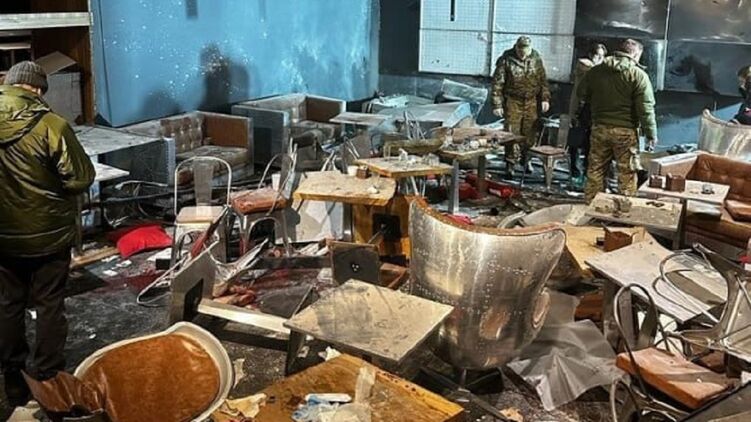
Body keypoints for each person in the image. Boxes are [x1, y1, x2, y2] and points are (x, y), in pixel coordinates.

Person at [0, 61, 95, 407]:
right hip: (48, 236)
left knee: (8, 303)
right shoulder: (51, 125)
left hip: (4, 237)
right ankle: (47, 377)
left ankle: (13, 380)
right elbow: (80, 178)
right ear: (38, 89)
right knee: (49, 304)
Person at [577, 39, 657, 202]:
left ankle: (592, 206)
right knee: (626, 173)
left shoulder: (596, 71)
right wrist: (651, 134)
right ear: (635, 54)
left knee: (596, 170)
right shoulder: (638, 75)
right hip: (625, 132)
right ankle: (624, 210)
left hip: (599, 129)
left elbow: (582, 93)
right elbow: (645, 109)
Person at [491, 36, 551, 178]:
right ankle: (510, 163)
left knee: (530, 133)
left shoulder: (536, 59)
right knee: (511, 133)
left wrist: (545, 98)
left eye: (525, 51)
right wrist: (497, 104)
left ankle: (526, 160)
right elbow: (497, 83)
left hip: (531, 101)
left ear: (530, 49)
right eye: (520, 51)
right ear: (516, 48)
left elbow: (543, 81)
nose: (523, 54)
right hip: (513, 101)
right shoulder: (506, 60)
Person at [568, 43, 607, 187]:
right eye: (597, 55)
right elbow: (589, 70)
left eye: (602, 56)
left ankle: (585, 174)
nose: (599, 59)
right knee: (575, 143)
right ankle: (575, 173)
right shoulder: (584, 66)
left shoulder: (600, 71)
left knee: (590, 145)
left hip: (593, 111)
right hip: (580, 109)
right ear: (591, 55)